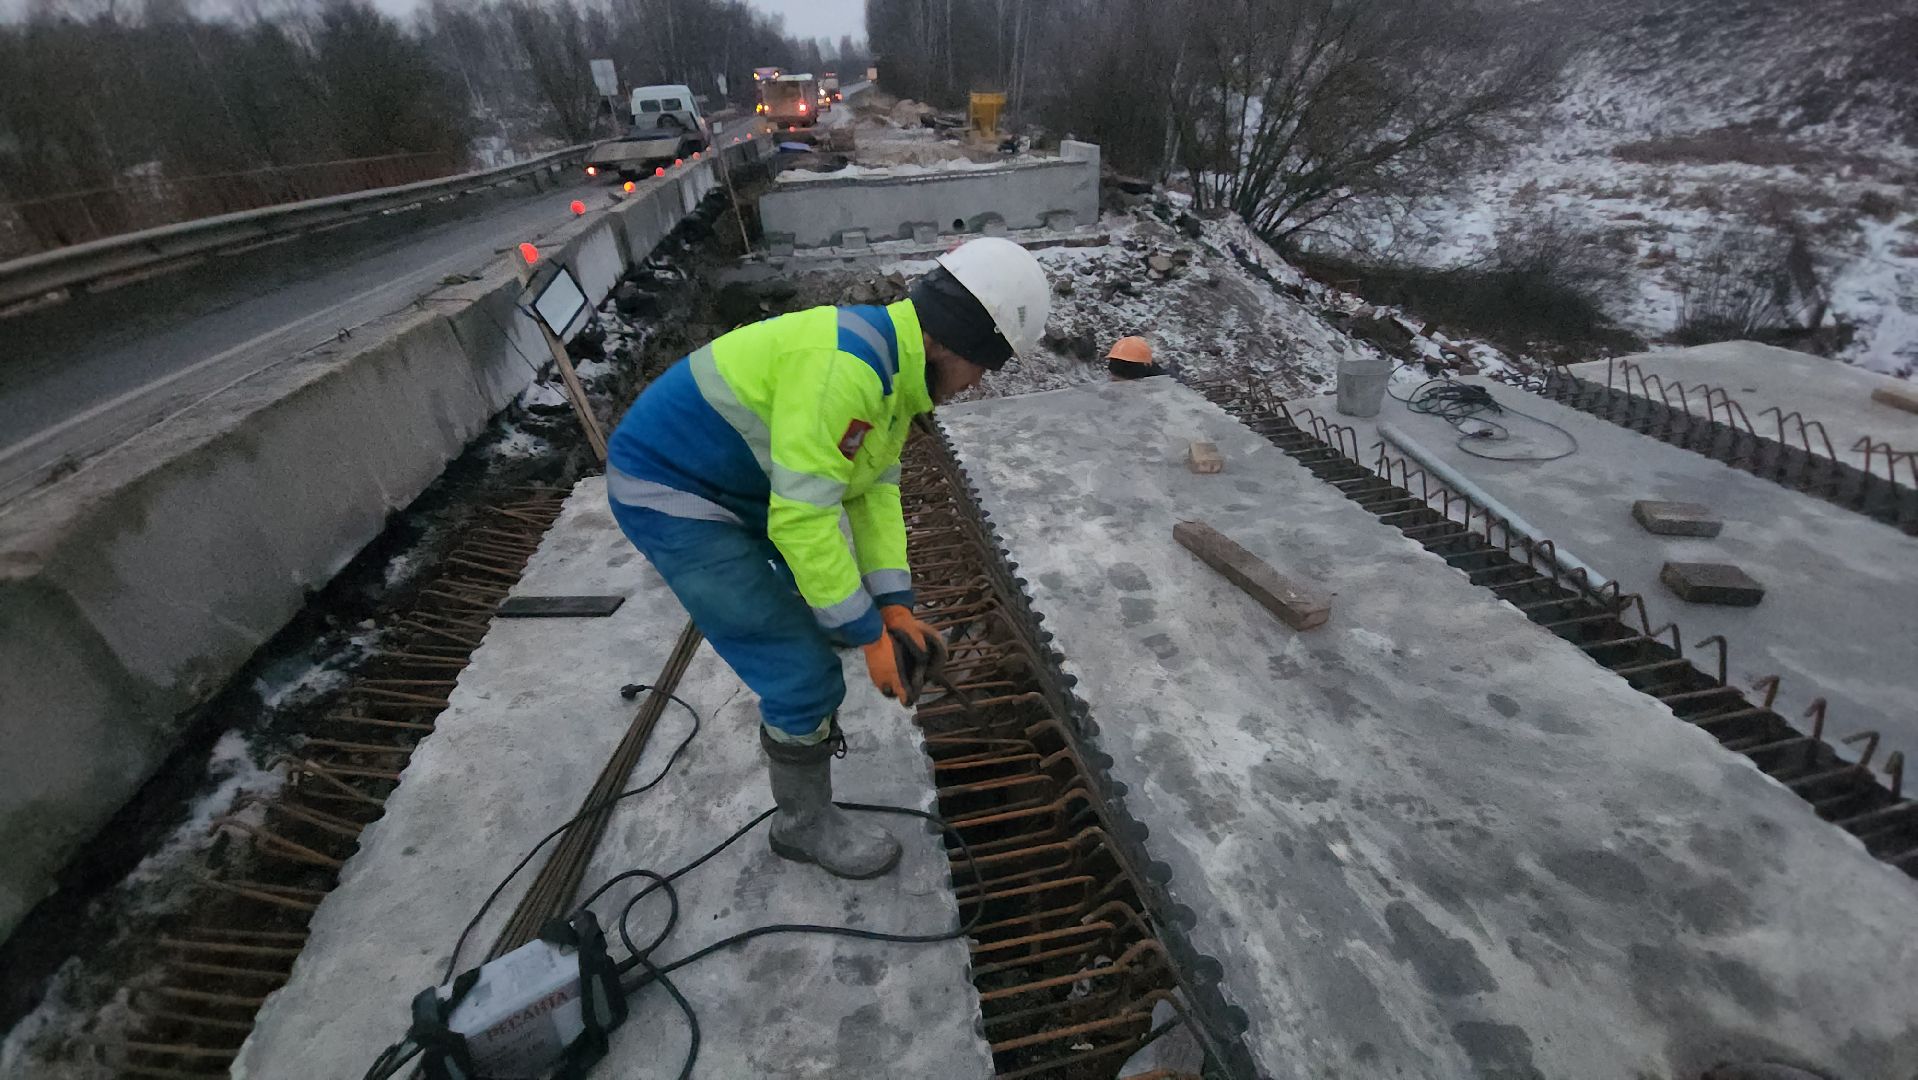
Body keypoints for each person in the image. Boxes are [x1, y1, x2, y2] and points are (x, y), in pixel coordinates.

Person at [605, 238, 1052, 880]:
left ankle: (831, 652)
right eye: (986, 366)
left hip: (739, 481)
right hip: (674, 492)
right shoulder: (847, 372)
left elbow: (872, 493)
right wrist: (868, 633)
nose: (979, 383)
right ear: (955, 344)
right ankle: (802, 825)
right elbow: (804, 519)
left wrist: (893, 607)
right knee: (801, 671)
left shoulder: (893, 371)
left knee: (829, 603)